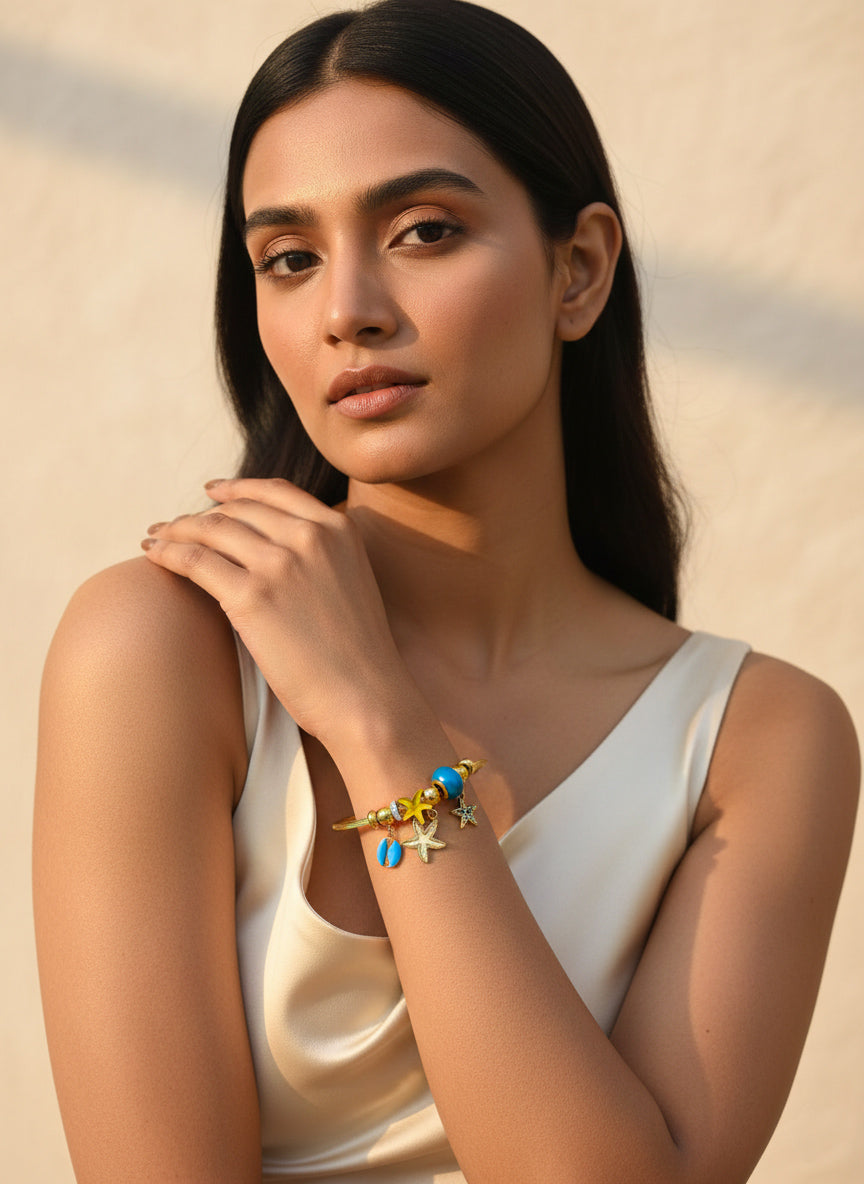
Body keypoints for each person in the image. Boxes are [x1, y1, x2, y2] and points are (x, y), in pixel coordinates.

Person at [33, 1, 859, 1181]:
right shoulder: (161, 650)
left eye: (422, 230)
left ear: (578, 271)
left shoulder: (760, 737)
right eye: (289, 257)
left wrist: (379, 726)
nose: (346, 309)